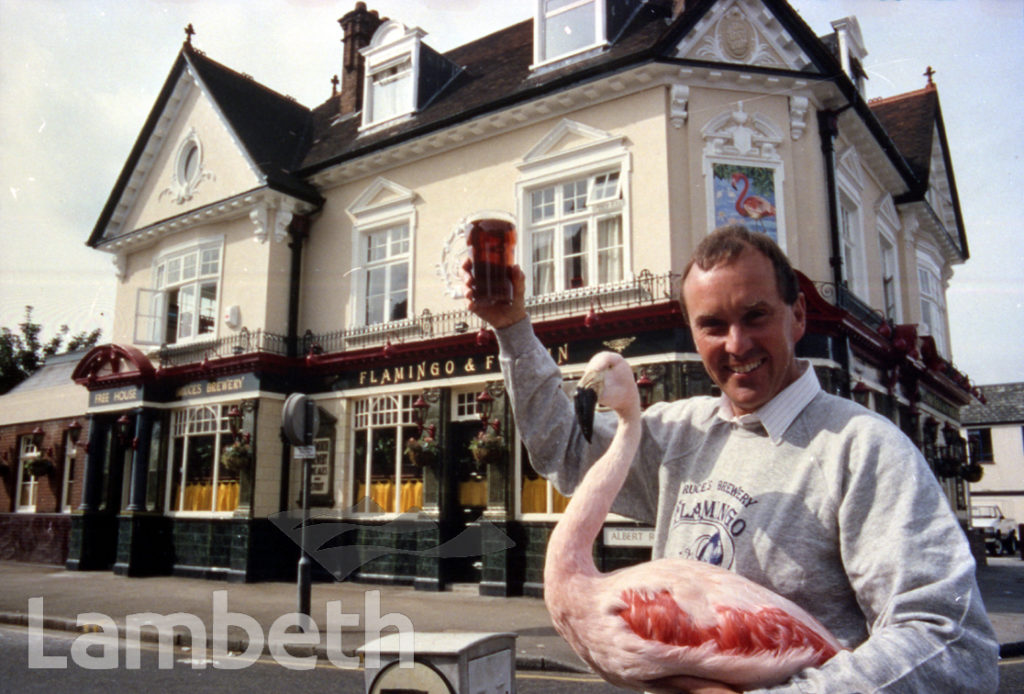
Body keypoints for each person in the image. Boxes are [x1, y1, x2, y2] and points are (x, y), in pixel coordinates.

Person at [466, 224, 999, 693]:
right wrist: (512, 325)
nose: (737, 343)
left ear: (798, 316)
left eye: (755, 315)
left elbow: (951, 644)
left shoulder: (863, 447)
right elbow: (563, 447)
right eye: (713, 325)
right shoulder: (677, 433)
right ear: (694, 334)